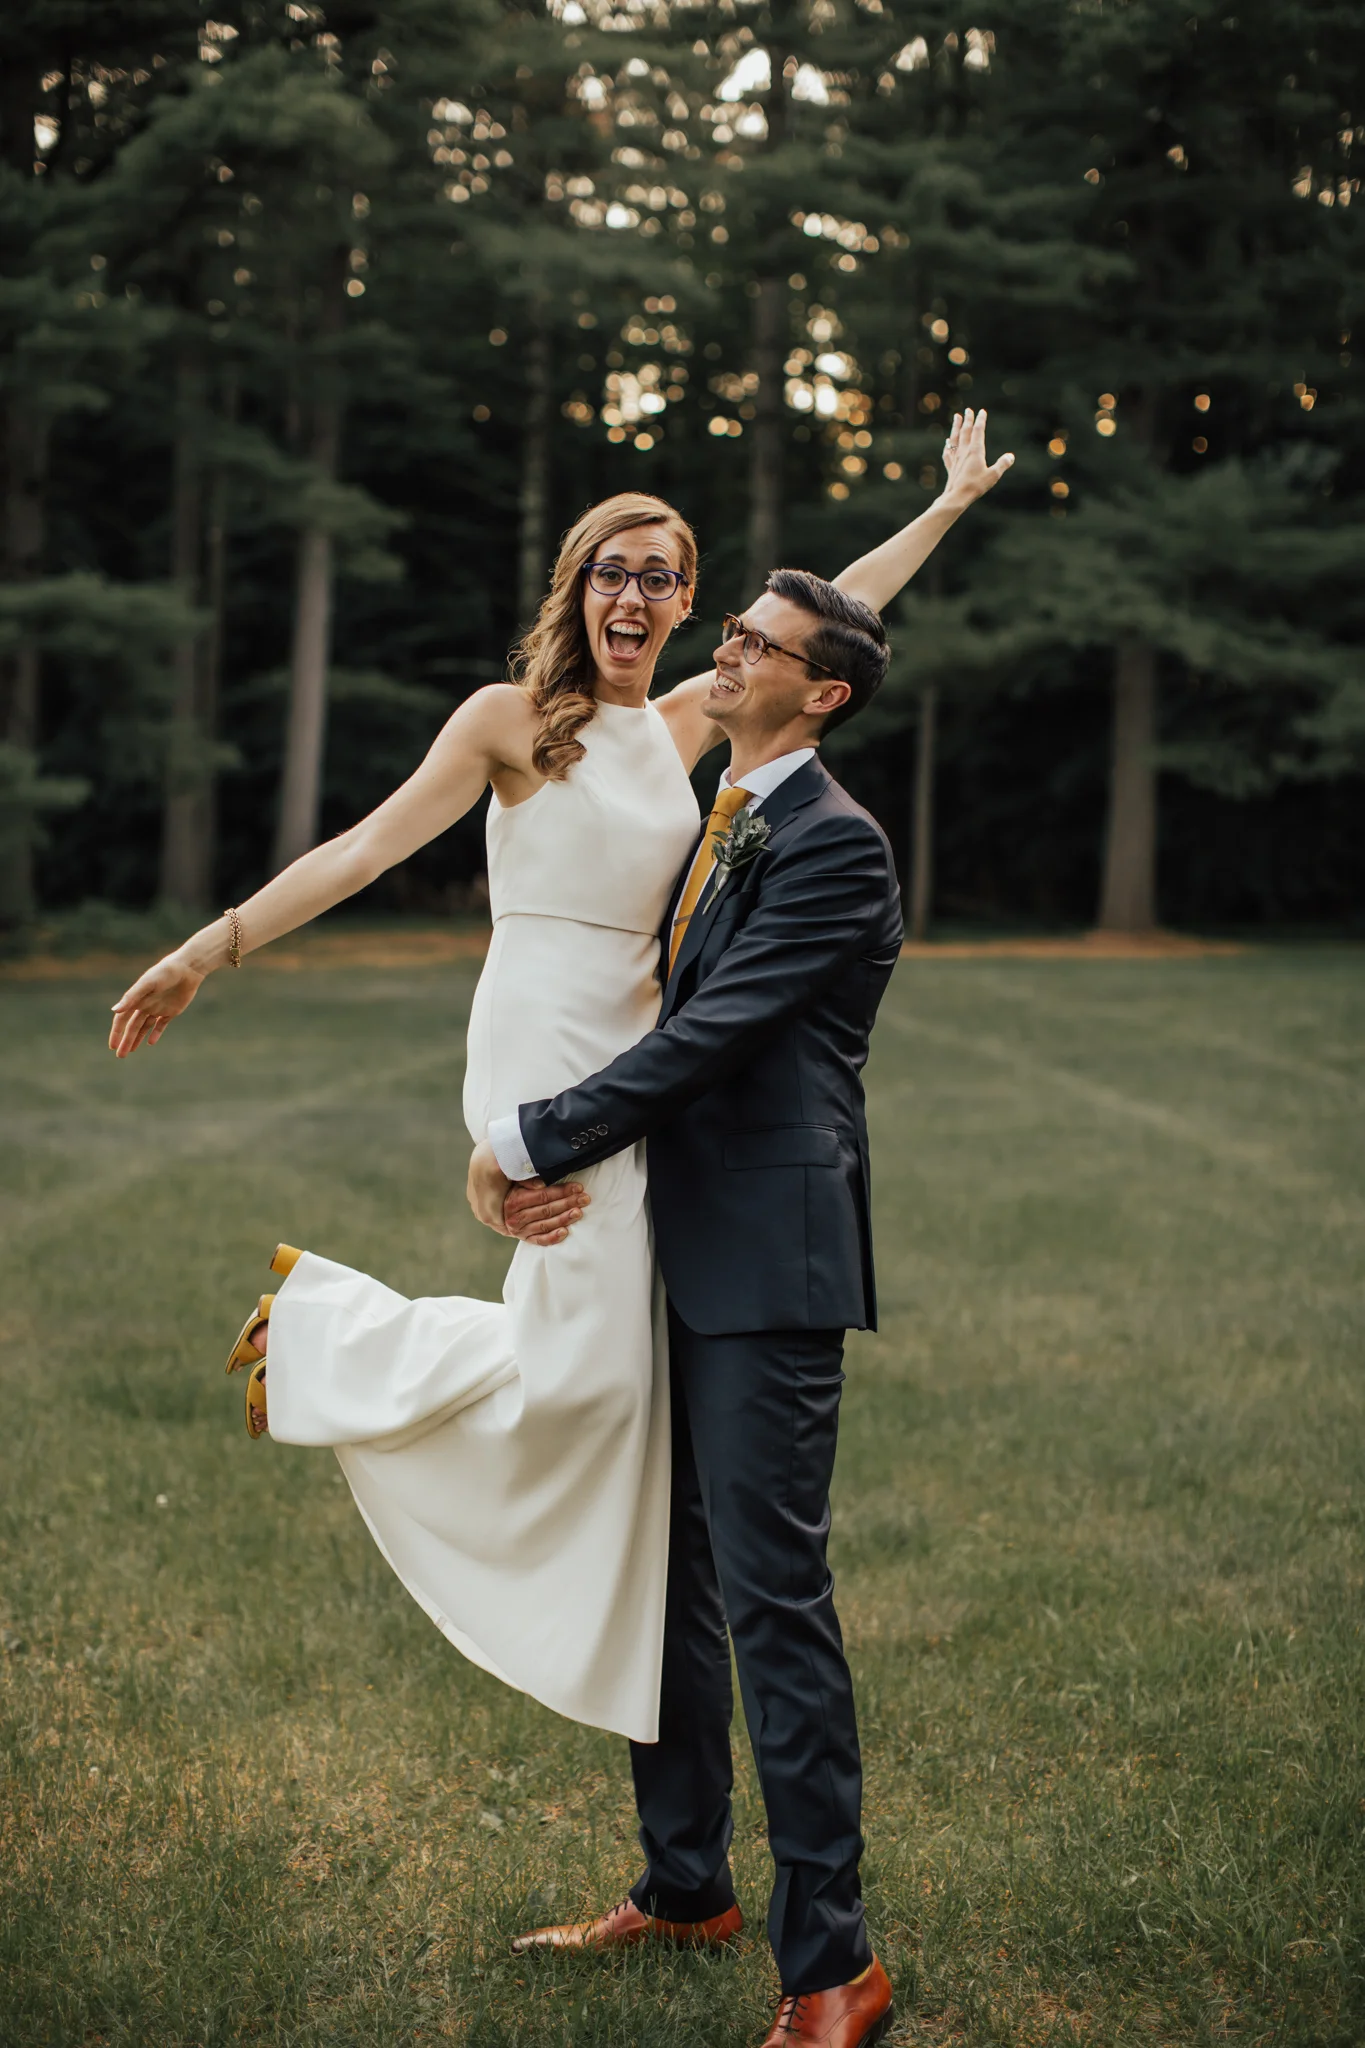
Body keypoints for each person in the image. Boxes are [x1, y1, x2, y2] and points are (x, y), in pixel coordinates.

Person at [107, 415, 1011, 2008]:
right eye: (618, 567)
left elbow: (831, 629)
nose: (643, 595)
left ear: (692, 616)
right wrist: (213, 944)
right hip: (558, 1088)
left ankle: (694, 1889)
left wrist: (938, 509)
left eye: (670, 581)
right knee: (581, 1398)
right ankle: (333, 1340)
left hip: (634, 1103)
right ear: (577, 580)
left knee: (619, 1446)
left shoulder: (689, 729)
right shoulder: (514, 726)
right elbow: (374, 844)